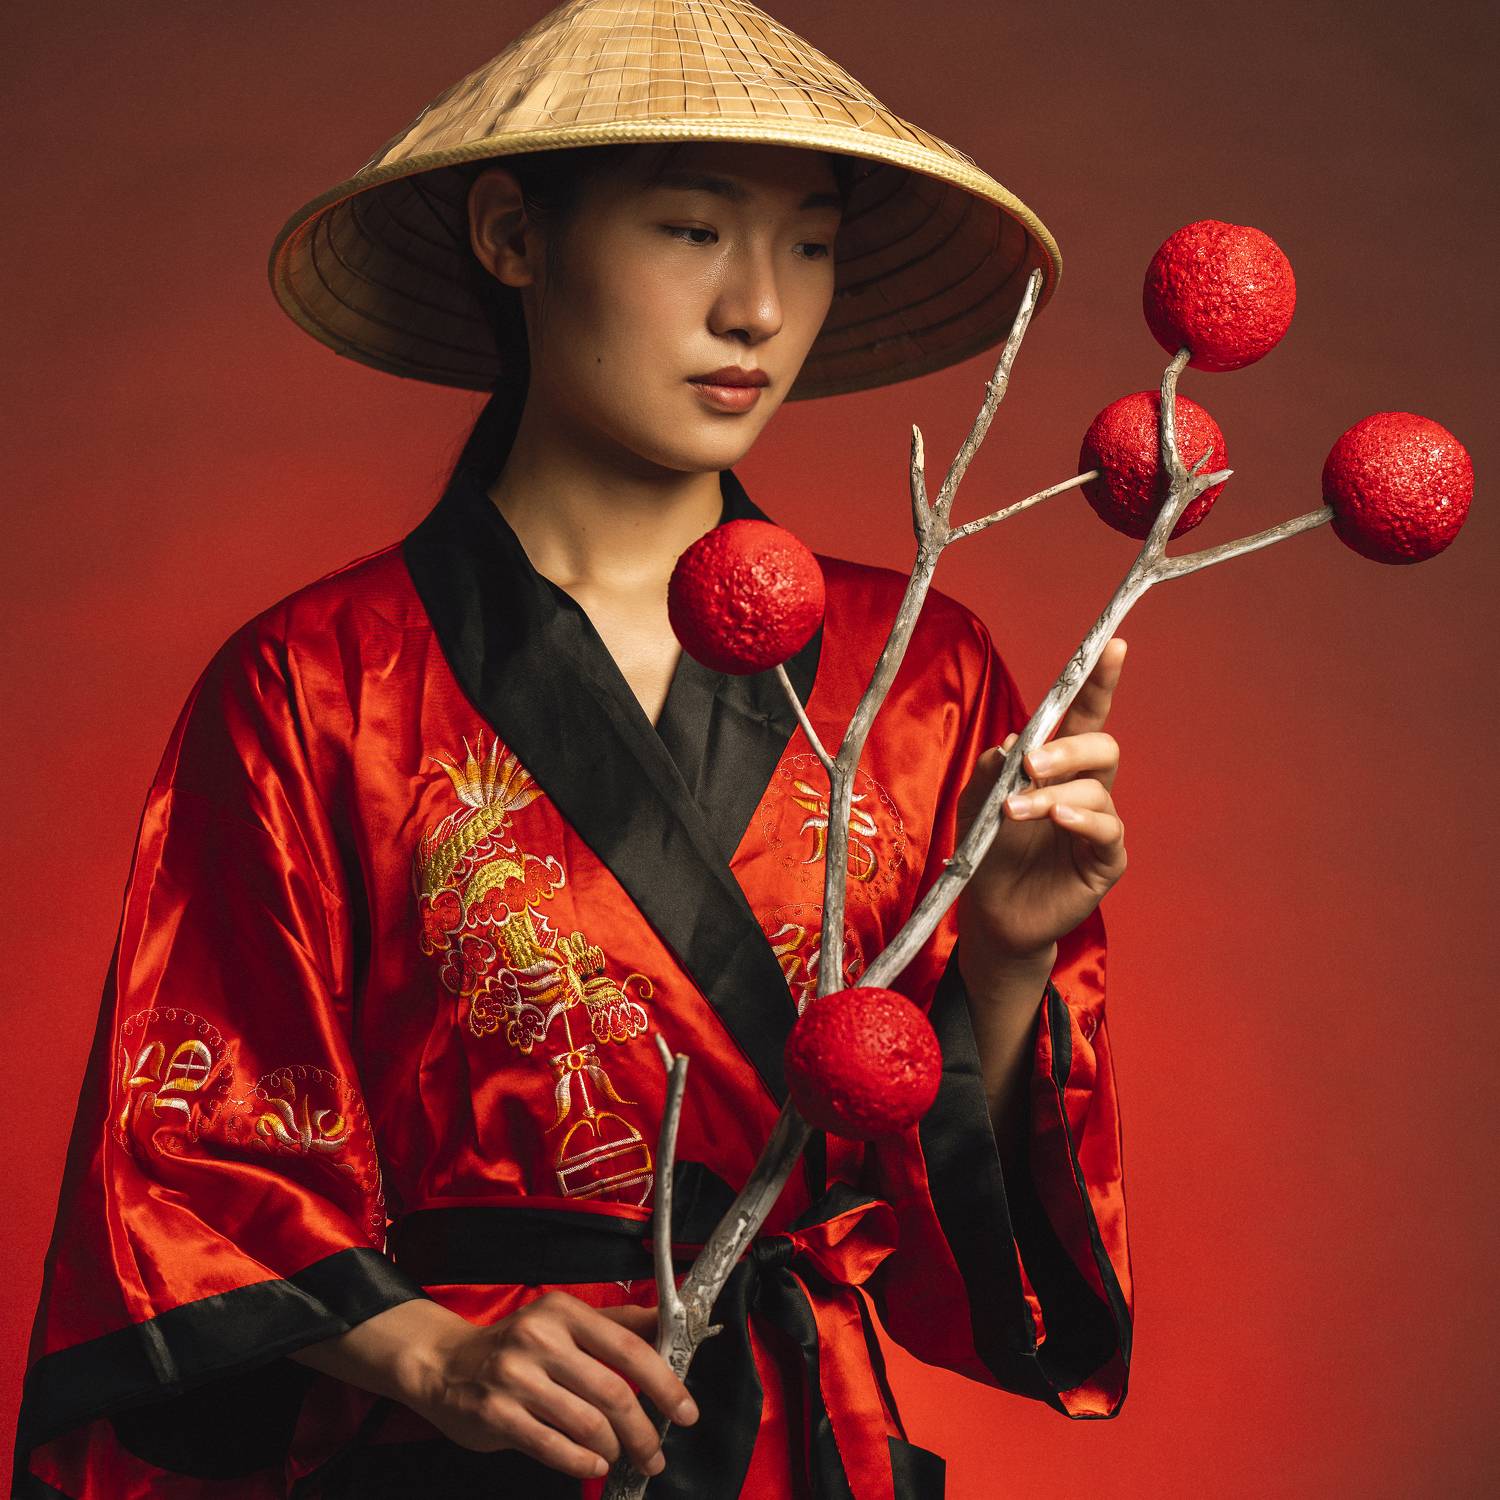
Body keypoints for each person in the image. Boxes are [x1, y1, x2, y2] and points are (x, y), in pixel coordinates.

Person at [14, 3, 1132, 1496]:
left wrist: (1001, 964)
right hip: (458, 1446)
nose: (758, 310)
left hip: (798, 1448)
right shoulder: (319, 678)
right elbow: (190, 1154)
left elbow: (957, 1243)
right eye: (690, 231)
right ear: (510, 234)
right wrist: (431, 1350)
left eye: (808, 242)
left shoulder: (924, 671)